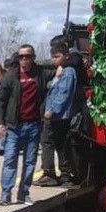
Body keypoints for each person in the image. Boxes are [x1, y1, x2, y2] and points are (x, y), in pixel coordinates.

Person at [0, 45, 49, 206]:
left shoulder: (40, 74)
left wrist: (62, 68)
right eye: (21, 56)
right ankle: (6, 194)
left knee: (29, 161)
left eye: (27, 56)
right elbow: (0, 101)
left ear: (33, 57)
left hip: (33, 125)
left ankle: (23, 193)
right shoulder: (10, 76)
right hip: (14, 126)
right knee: (10, 159)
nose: (24, 59)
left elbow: (59, 65)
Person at [35, 42, 79, 188]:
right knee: (60, 144)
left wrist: (51, 110)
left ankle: (50, 173)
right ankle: (64, 175)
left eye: (57, 56)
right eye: (52, 57)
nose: (54, 59)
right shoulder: (62, 71)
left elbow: (63, 94)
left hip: (58, 116)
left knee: (48, 142)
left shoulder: (67, 72)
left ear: (65, 56)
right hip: (57, 115)